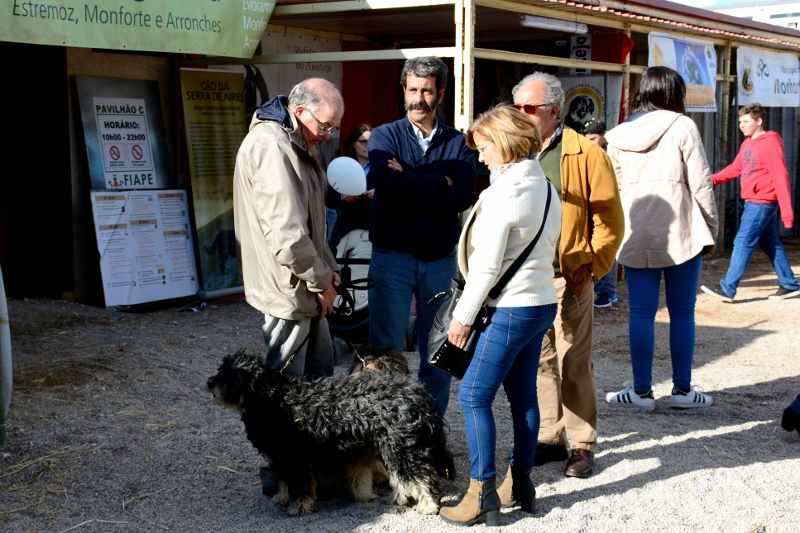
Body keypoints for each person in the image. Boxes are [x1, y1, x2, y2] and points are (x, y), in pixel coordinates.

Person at [438, 105, 561, 527]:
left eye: (484, 146)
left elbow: (487, 267)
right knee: (524, 396)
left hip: (509, 306)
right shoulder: (544, 185)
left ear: (506, 141)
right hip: (540, 302)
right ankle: (521, 483)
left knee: (473, 395)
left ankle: (482, 493)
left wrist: (463, 316)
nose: (480, 156)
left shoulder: (505, 194)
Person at [233, 78, 344, 495]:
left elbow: (314, 228)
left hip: (305, 287)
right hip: (288, 291)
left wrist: (330, 270)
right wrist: (321, 282)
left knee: (317, 385)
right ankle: (283, 479)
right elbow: (288, 235)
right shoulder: (271, 147)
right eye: (327, 126)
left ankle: (317, 475)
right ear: (301, 112)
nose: (328, 135)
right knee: (284, 397)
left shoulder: (296, 143)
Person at [512, 72, 624, 479]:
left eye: (529, 108)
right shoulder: (515, 150)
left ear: (554, 111)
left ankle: (581, 444)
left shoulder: (586, 153)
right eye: (517, 108)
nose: (520, 116)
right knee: (538, 359)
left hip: (568, 275)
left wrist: (590, 265)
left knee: (573, 359)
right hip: (525, 276)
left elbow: (609, 218)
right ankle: (547, 435)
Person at [367, 56, 477, 415]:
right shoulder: (384, 136)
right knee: (385, 350)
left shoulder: (459, 143)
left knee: (439, 351)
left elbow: (462, 194)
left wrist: (408, 178)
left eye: (426, 90)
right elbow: (387, 183)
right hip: (392, 257)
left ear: (440, 94)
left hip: (439, 261)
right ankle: (381, 433)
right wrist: (436, 181)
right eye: (412, 89)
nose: (417, 98)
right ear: (404, 91)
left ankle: (430, 433)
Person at [604, 66, 718, 411]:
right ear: (674, 93)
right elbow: (700, 181)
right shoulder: (683, 125)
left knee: (641, 313)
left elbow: (613, 188)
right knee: (683, 312)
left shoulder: (619, 134)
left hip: (636, 228)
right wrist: (710, 228)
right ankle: (683, 391)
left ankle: (640, 392)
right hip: (682, 227)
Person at [700, 103, 800, 302]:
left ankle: (727, 288)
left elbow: (781, 176)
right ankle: (789, 284)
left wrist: (788, 215)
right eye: (739, 122)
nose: (741, 126)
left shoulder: (770, 143)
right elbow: (737, 167)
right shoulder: (747, 143)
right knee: (770, 242)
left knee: (742, 242)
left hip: (761, 202)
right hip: (755, 201)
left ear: (759, 121)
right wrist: (713, 179)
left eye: (746, 121)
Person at [581, 118, 619, 309]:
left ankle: (608, 291)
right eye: (586, 138)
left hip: (609, 207)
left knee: (607, 246)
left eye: (594, 138)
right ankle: (599, 287)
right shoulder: (588, 154)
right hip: (591, 206)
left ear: (604, 135)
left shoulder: (613, 154)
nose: (590, 143)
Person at [329, 124, 373, 248]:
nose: (368, 146)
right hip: (346, 228)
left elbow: (395, 193)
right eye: (363, 142)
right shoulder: (343, 166)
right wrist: (342, 196)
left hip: (374, 228)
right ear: (353, 143)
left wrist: (379, 193)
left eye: (371, 141)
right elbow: (329, 198)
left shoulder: (382, 166)